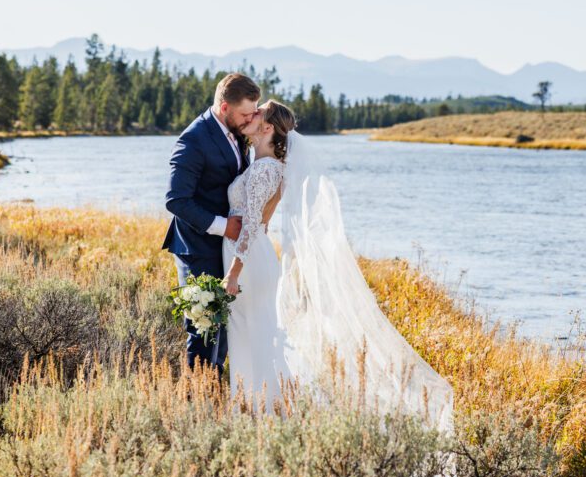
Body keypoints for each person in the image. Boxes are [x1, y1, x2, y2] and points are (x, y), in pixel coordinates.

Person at [219, 99, 454, 430]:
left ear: (268, 128)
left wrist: (232, 274)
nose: (251, 115)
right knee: (257, 336)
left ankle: (264, 417)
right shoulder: (262, 165)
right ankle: (259, 414)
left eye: (257, 113)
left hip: (247, 265)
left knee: (255, 336)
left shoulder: (264, 169)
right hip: (251, 258)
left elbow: (252, 226)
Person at [162, 72, 260, 377]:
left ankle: (214, 393)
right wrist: (224, 226)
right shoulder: (193, 140)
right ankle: (197, 403)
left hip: (226, 251)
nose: (250, 120)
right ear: (224, 108)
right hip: (198, 250)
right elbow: (176, 200)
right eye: (245, 114)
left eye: (254, 113)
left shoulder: (236, 130)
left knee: (224, 330)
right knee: (204, 330)